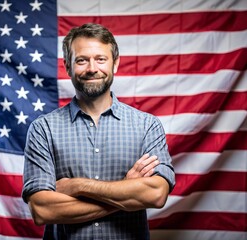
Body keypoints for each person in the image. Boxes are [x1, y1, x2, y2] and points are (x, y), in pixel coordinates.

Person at [22, 23, 175, 239]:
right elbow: (42, 210)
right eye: (82, 60)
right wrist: (127, 191)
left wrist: (77, 186)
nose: (92, 68)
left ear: (115, 64)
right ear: (67, 66)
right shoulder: (43, 129)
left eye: (101, 59)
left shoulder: (147, 125)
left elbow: (156, 195)